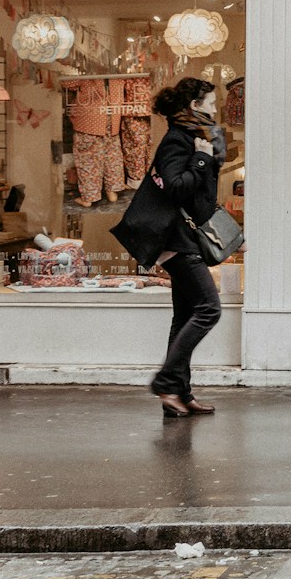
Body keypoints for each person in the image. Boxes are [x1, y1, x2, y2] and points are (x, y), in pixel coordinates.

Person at [111, 77, 225, 419]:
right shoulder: (177, 141)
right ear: (195, 106)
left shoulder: (194, 139)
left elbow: (201, 196)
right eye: (211, 103)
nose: (216, 109)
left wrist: (209, 157)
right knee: (209, 309)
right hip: (175, 239)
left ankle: (178, 395)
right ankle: (165, 381)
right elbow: (176, 188)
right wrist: (202, 161)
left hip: (182, 238)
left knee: (186, 315)